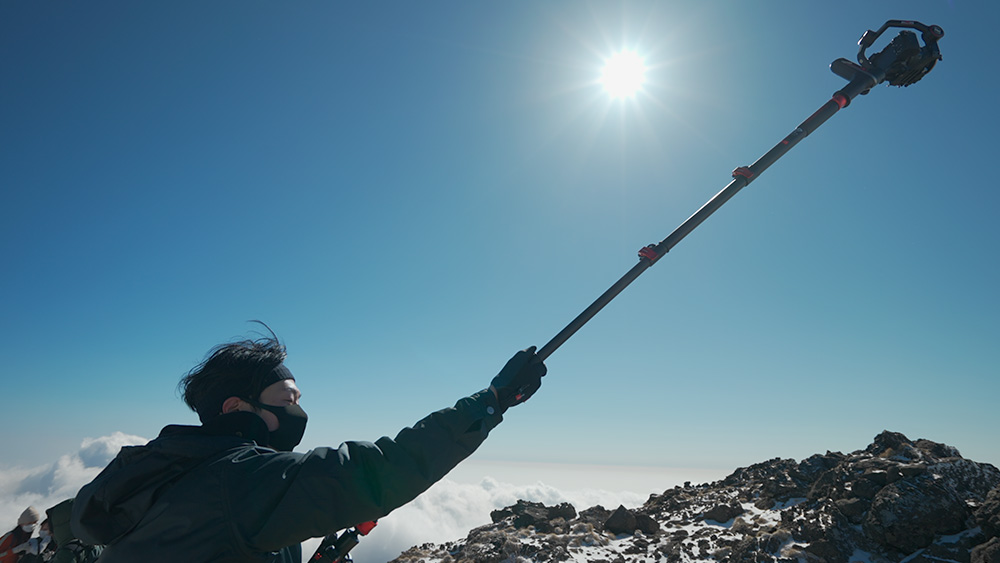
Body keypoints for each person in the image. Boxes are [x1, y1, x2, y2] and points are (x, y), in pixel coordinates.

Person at [71, 333, 546, 562]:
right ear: (237, 406)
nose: (299, 411)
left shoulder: (163, 468)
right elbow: (378, 470)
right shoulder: (235, 479)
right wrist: (491, 402)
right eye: (287, 400)